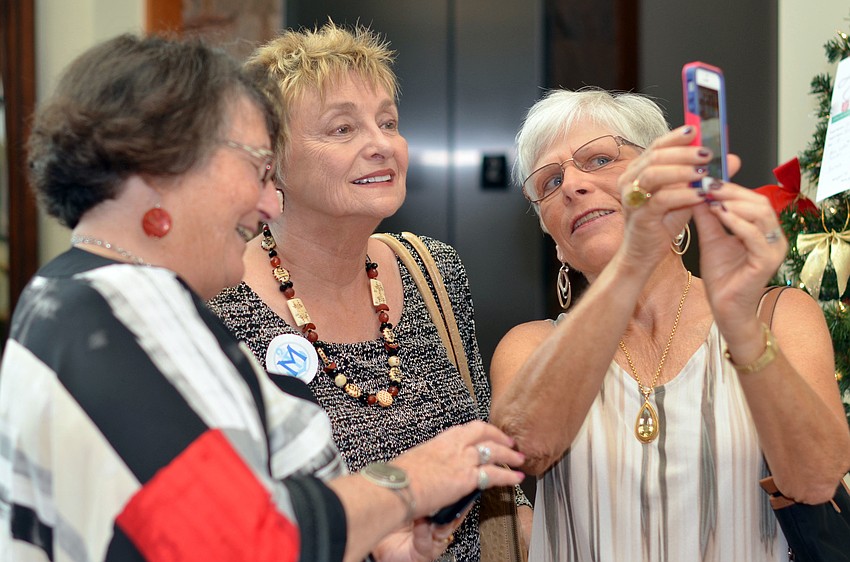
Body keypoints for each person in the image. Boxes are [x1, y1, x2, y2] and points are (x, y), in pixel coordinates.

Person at [0, 33, 526, 562]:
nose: (265, 198)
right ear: (166, 169)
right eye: (252, 163)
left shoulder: (73, 294)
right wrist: (410, 481)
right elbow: (239, 540)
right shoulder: (115, 313)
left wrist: (383, 538)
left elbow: (275, 490)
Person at [207, 22, 533, 559]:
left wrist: (517, 510)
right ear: (273, 162)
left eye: (388, 122)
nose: (381, 145)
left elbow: (480, 429)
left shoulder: (433, 270)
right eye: (342, 129)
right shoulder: (220, 301)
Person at [488, 88, 850, 561]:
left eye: (598, 159)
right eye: (551, 182)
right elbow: (523, 447)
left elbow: (817, 477)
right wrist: (633, 261)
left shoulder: (778, 316)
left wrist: (740, 328)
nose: (573, 184)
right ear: (555, 241)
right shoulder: (531, 346)